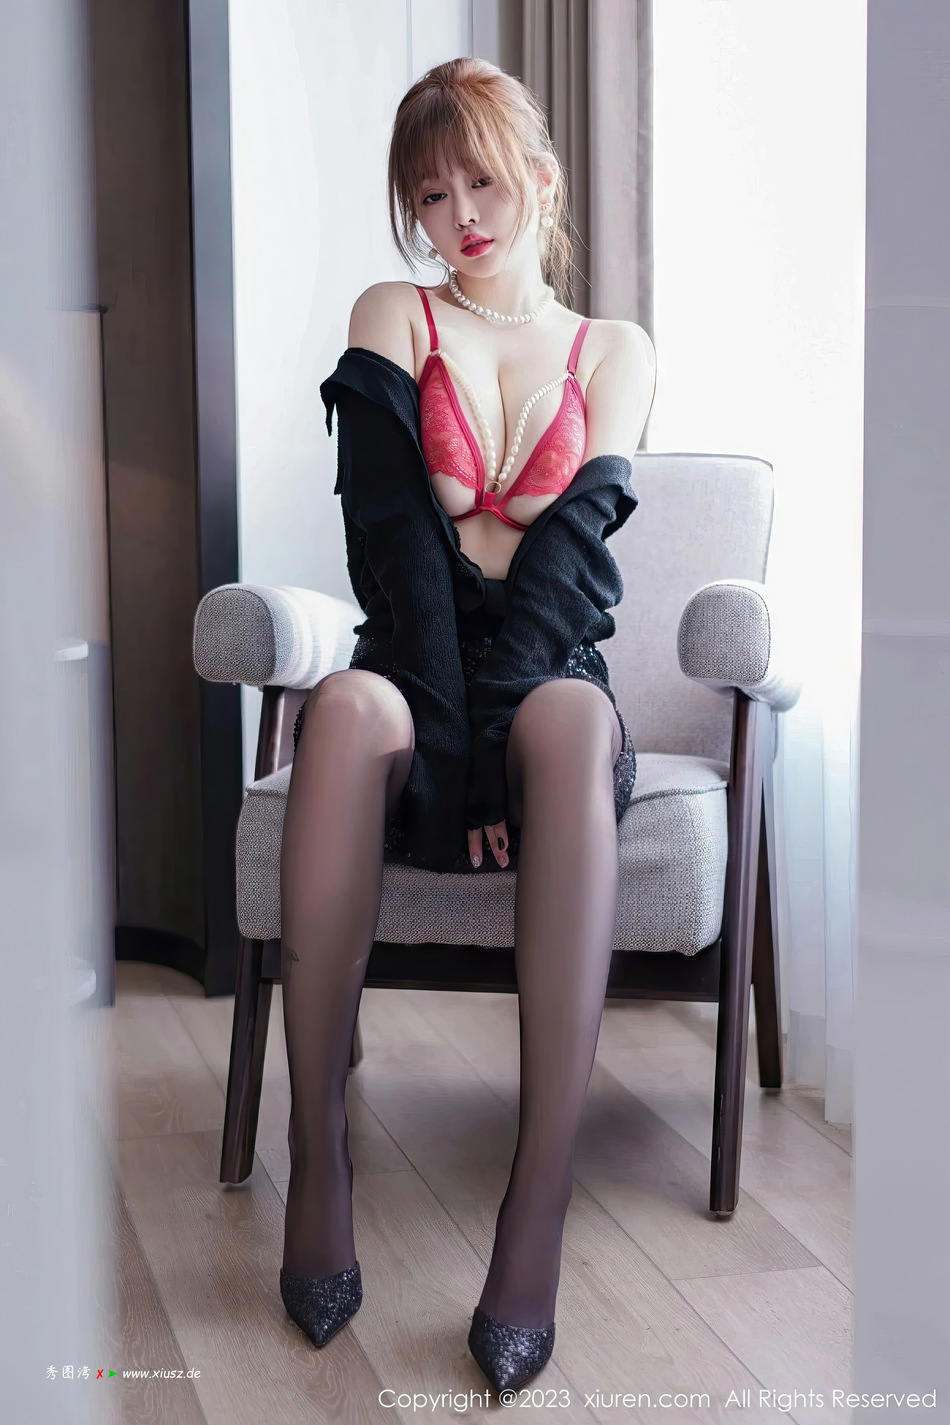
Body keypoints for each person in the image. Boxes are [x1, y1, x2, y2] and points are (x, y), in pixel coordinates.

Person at [277, 57, 656, 1392]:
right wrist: (448, 761)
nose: (461, 215)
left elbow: (568, 575)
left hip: (546, 671)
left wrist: (497, 760)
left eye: (483, 182)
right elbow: (393, 550)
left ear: (539, 180)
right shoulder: (395, 314)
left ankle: (535, 1203)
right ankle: (316, 1156)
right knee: (342, 708)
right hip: (415, 667)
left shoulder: (614, 350)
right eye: (431, 195)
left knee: (565, 726)